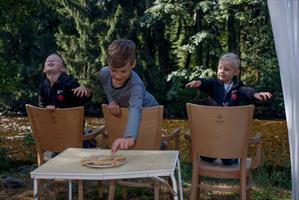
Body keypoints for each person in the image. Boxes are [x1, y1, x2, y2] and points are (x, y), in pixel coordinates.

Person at [185, 52, 272, 165]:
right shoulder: (213, 85)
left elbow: (247, 91)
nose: (222, 71)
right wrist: (198, 82)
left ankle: (230, 157)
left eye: (226, 69)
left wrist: (255, 94)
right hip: (214, 126)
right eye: (220, 68)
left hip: (229, 129)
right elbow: (205, 83)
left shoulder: (238, 88)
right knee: (207, 155)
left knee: (228, 159)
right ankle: (209, 156)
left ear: (236, 72)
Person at [99, 39, 158, 154]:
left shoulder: (136, 85)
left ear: (133, 63)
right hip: (128, 112)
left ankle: (158, 144)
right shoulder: (104, 73)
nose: (117, 76)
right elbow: (106, 86)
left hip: (148, 109)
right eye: (113, 70)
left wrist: (129, 136)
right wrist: (112, 101)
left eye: (123, 71)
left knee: (145, 146)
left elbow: (135, 108)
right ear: (108, 63)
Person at [38, 53, 96, 148]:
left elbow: (85, 98)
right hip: (54, 128)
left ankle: (86, 139)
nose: (50, 61)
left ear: (62, 69)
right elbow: (41, 107)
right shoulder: (42, 86)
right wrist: (46, 108)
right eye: (48, 61)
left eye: (55, 60)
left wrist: (85, 91)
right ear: (44, 70)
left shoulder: (69, 82)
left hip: (72, 127)